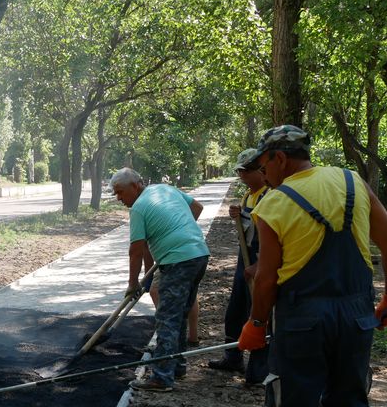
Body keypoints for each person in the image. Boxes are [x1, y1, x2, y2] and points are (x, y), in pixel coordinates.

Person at [238, 125, 387, 407]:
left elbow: (266, 279)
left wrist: (256, 325)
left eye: (263, 164)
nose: (264, 173)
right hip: (355, 314)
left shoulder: (273, 206)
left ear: (278, 158)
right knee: (351, 405)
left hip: (302, 321)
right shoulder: (351, 181)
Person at [111, 168, 210, 391]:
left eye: (120, 192)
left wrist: (132, 283)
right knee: (180, 314)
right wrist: (180, 230)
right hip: (199, 254)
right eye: (115, 194)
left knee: (167, 319)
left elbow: (135, 250)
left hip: (179, 261)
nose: (118, 198)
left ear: (135, 186)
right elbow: (197, 208)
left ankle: (161, 378)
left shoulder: (138, 208)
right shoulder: (165, 190)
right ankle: (177, 367)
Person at [207, 148, 269, 385]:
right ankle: (232, 356)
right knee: (237, 308)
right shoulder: (247, 196)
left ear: (261, 172)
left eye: (246, 171)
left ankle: (260, 368)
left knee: (259, 311)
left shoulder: (269, 196)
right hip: (245, 256)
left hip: (262, 258)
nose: (242, 175)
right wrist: (238, 215)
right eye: (239, 171)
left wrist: (259, 264)